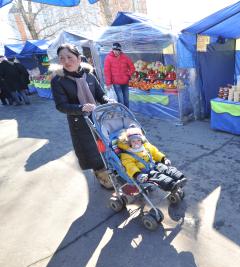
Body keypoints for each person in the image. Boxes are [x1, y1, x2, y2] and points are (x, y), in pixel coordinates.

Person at [50, 44, 113, 189]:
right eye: (62, 58)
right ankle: (101, 174)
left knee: (106, 144)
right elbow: (61, 105)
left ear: (78, 58)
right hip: (79, 121)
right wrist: (81, 108)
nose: (66, 61)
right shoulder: (58, 80)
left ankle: (111, 168)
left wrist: (108, 101)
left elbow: (100, 94)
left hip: (98, 117)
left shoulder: (89, 75)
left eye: (70, 57)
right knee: (91, 149)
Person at [118, 125, 187, 192]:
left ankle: (179, 177)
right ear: (129, 143)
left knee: (164, 168)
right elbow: (130, 166)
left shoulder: (146, 146)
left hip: (153, 164)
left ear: (142, 141)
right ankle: (171, 185)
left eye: (138, 140)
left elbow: (155, 153)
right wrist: (137, 174)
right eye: (133, 141)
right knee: (158, 176)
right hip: (144, 172)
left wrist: (163, 159)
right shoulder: (127, 154)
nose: (136, 142)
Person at [104, 42, 135, 108]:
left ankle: (127, 114)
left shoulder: (125, 57)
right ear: (112, 50)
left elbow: (132, 67)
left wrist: (128, 75)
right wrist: (108, 83)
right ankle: (122, 115)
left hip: (125, 82)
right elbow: (107, 72)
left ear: (120, 51)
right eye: (114, 50)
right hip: (116, 83)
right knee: (121, 100)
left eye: (117, 50)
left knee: (126, 100)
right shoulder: (108, 58)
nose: (115, 52)